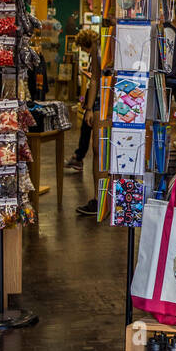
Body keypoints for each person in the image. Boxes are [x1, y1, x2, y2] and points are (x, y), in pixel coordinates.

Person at [66, 28, 102, 216]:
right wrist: (88, 107)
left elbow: (94, 79)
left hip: (106, 102)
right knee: (99, 150)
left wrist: (88, 107)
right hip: (104, 102)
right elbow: (95, 79)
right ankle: (100, 199)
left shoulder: (99, 48)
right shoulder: (101, 46)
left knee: (99, 151)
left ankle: (101, 199)